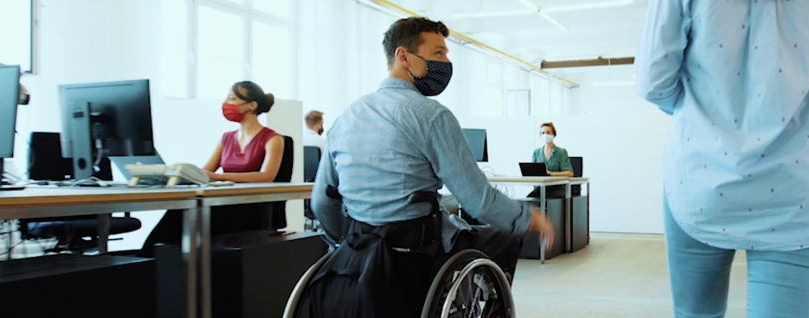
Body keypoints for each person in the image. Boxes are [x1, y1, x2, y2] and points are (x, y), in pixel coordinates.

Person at [309, 17, 554, 317]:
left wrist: (354, 242)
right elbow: (478, 202)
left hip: (360, 245)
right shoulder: (432, 117)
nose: (446, 61)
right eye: (438, 53)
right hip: (419, 250)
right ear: (403, 56)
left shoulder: (346, 118)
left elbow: (322, 202)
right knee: (505, 236)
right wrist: (528, 218)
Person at [635, 0, 809, 317]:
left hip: (701, 180)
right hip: (795, 187)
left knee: (696, 313)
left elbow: (653, 83)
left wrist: (705, 117)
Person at [140, 81, 284, 257]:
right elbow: (205, 172)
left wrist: (217, 177)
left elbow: (267, 176)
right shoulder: (226, 138)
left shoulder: (273, 138)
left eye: (232, 98)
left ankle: (153, 259)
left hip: (246, 205)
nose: (226, 103)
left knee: (189, 216)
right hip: (222, 200)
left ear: (252, 105)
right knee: (181, 212)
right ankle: (152, 259)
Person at [527, 122, 573, 199]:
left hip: (556, 188)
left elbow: (569, 173)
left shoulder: (561, 152)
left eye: (548, 132)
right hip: (540, 188)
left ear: (553, 134)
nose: (545, 135)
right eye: (543, 133)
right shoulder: (536, 153)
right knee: (527, 201)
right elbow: (533, 171)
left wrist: (552, 173)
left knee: (544, 199)